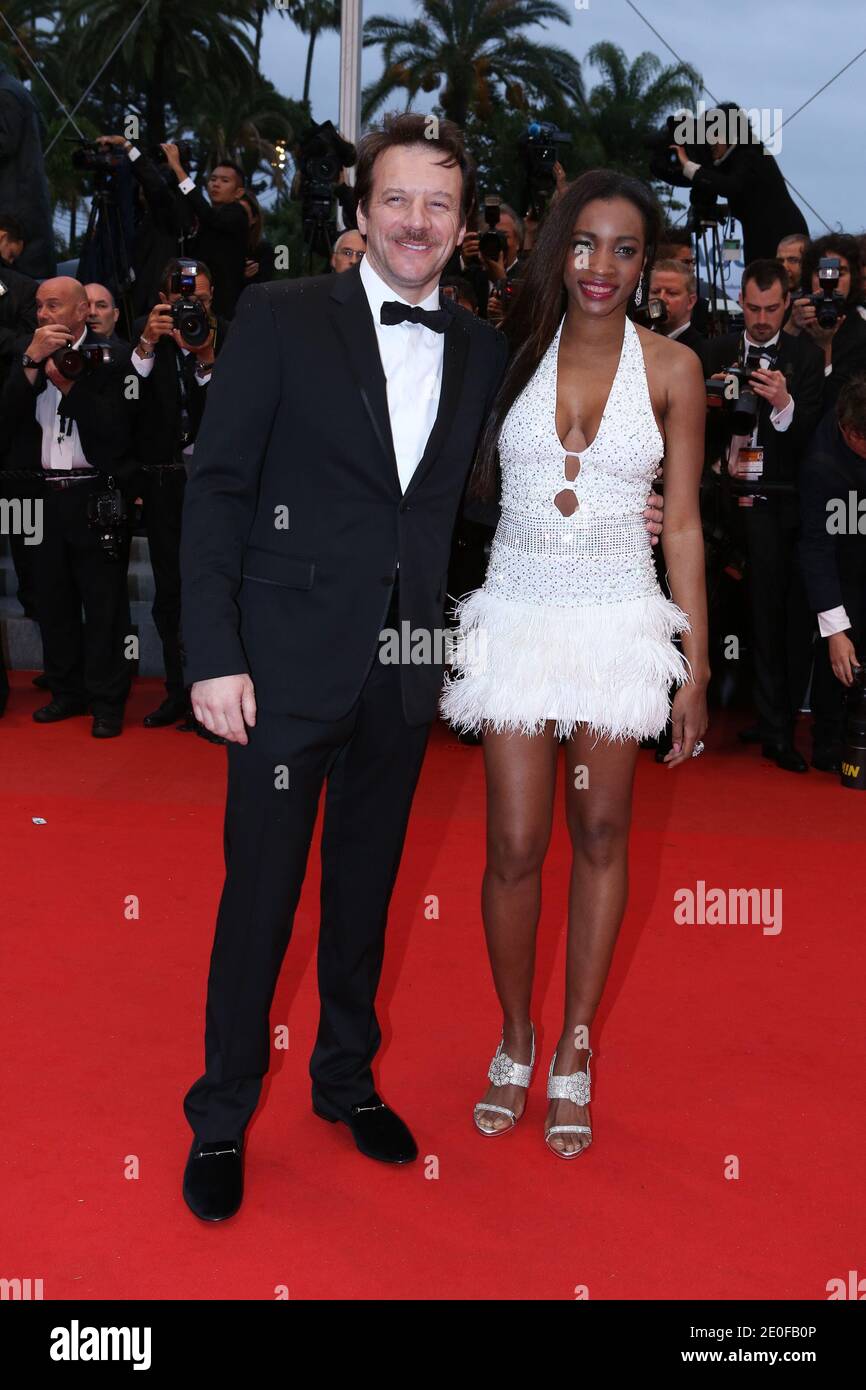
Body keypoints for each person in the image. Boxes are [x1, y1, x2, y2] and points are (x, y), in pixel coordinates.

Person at [176, 114, 670, 1220]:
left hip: (403, 670)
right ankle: (217, 1115)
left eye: (437, 205)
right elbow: (213, 492)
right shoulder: (279, 316)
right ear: (360, 211)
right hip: (278, 669)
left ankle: (343, 1081)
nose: (415, 222)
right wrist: (210, 652)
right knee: (259, 899)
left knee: (364, 898)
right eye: (395, 200)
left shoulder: (484, 350)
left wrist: (616, 512)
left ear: (458, 226)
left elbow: (507, 490)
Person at [440, 170, 709, 1158]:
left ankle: (573, 1047)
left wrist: (696, 664)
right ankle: (513, 1034)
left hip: (615, 621)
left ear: (646, 264)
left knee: (598, 829)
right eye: (586, 243)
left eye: (624, 248)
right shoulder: (503, 354)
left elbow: (679, 521)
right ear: (559, 249)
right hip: (516, 614)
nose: (602, 266)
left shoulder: (675, 369)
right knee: (512, 843)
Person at [705, 259, 825, 771]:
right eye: (752, 307)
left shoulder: (802, 356)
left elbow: (816, 436)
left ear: (786, 302)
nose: (760, 318)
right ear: (740, 301)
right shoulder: (713, 351)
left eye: (771, 308)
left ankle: (777, 732)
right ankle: (673, 721)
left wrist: (784, 403)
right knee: (701, 609)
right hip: (715, 503)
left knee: (770, 619)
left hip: (773, 503)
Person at [0, 278, 134, 736]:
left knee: (103, 603)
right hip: (38, 495)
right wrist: (31, 365)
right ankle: (66, 690)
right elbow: (5, 422)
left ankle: (106, 700)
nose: (42, 314)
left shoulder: (114, 358)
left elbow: (115, 435)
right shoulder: (25, 355)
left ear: (82, 312)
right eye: (38, 306)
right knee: (51, 599)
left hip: (94, 493)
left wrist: (70, 386)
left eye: (53, 305)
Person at [799, 373, 866, 772]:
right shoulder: (821, 466)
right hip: (842, 559)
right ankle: (829, 738)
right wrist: (836, 631)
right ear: (850, 433)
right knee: (841, 650)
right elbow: (818, 551)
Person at [648, 257, 707, 368]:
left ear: (690, 301)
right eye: (655, 292)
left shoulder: (701, 353)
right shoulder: (634, 340)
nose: (661, 299)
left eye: (672, 293)